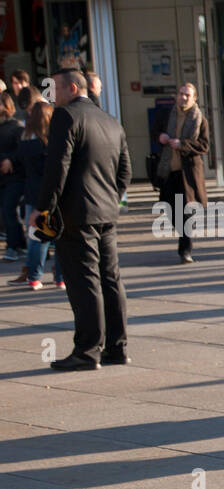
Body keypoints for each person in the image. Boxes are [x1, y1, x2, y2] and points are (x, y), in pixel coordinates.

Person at [32, 68, 131, 370]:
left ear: (72, 88)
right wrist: (111, 198)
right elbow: (125, 170)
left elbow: (57, 166)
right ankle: (117, 348)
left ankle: (87, 350)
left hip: (78, 215)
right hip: (106, 213)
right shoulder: (110, 120)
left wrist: (43, 208)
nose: (52, 95)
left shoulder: (67, 117)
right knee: (110, 279)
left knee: (85, 281)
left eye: (56, 88)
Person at [6, 102, 62, 289]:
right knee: (60, 237)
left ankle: (34, 276)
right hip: (54, 193)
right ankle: (61, 277)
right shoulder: (52, 143)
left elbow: (20, 167)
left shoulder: (25, 141)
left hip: (32, 193)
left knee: (37, 238)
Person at [156, 82, 210, 264]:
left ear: (194, 98)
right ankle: (182, 233)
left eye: (188, 95)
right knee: (169, 208)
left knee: (186, 211)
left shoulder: (199, 119)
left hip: (187, 173)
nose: (183, 97)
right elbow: (156, 131)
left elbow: (204, 145)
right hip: (169, 170)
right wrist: (161, 137)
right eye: (181, 94)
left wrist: (183, 145)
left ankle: (185, 250)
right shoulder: (168, 115)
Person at [0, 92, 24, 262]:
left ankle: (13, 247)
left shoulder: (15, 126)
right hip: (3, 178)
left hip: (14, 177)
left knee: (9, 209)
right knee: (6, 211)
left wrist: (10, 159)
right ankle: (20, 244)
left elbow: (21, 150)